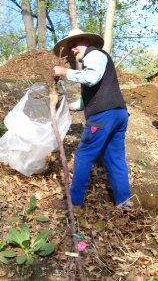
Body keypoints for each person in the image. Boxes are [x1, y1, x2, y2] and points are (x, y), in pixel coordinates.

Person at [52, 28, 131, 208]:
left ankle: (74, 202)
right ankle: (124, 203)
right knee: (115, 159)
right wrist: (73, 106)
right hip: (117, 114)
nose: (73, 49)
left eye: (75, 44)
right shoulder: (97, 59)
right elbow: (95, 91)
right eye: (70, 46)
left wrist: (64, 72)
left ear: (87, 41)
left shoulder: (93, 54)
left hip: (103, 116)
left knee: (83, 155)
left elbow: (92, 78)